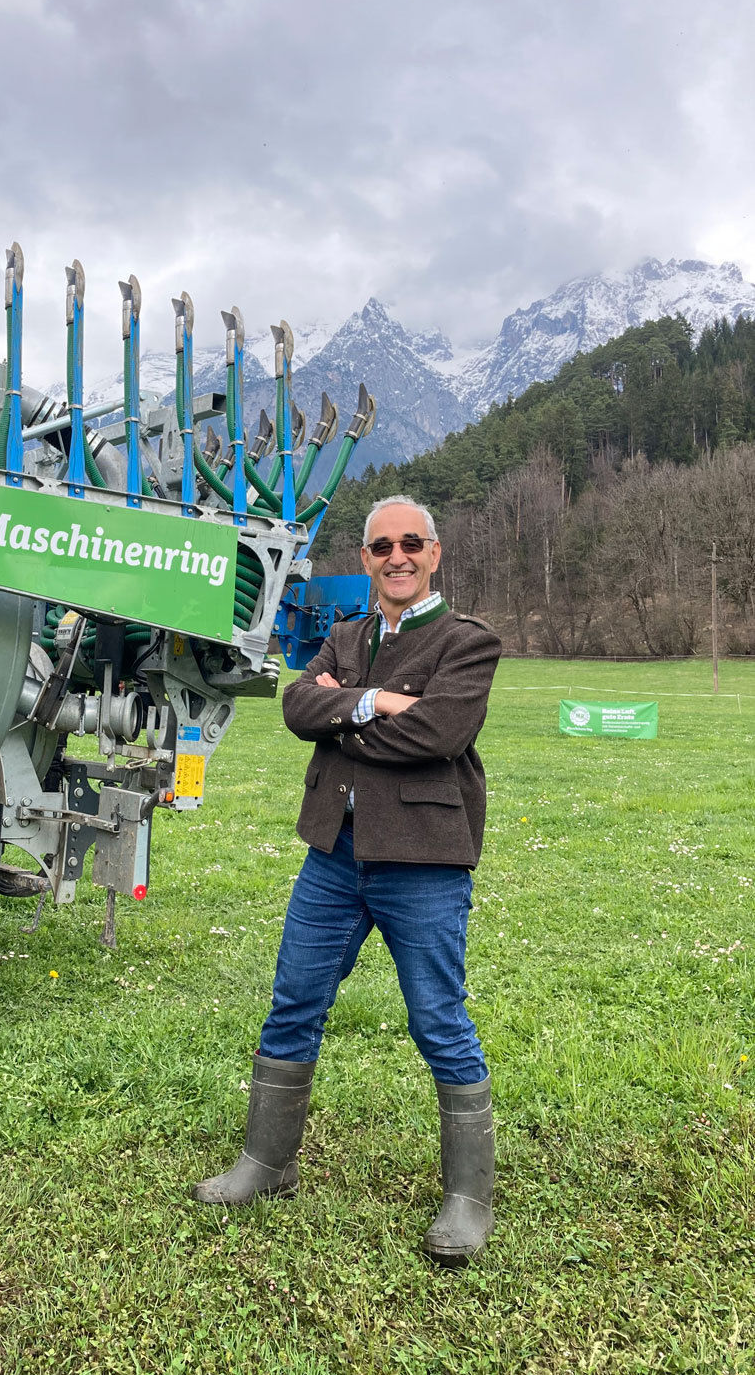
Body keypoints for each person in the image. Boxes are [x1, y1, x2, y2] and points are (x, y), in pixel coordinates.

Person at [192, 495, 502, 1267]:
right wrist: (368, 700)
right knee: (293, 1002)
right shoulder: (344, 634)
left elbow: (438, 732)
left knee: (438, 1021)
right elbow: (297, 705)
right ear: (364, 559)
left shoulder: (467, 642)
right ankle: (268, 1164)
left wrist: (342, 715)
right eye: (379, 547)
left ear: (434, 553)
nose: (395, 557)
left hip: (422, 862)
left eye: (410, 544)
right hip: (332, 855)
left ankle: (468, 1197)